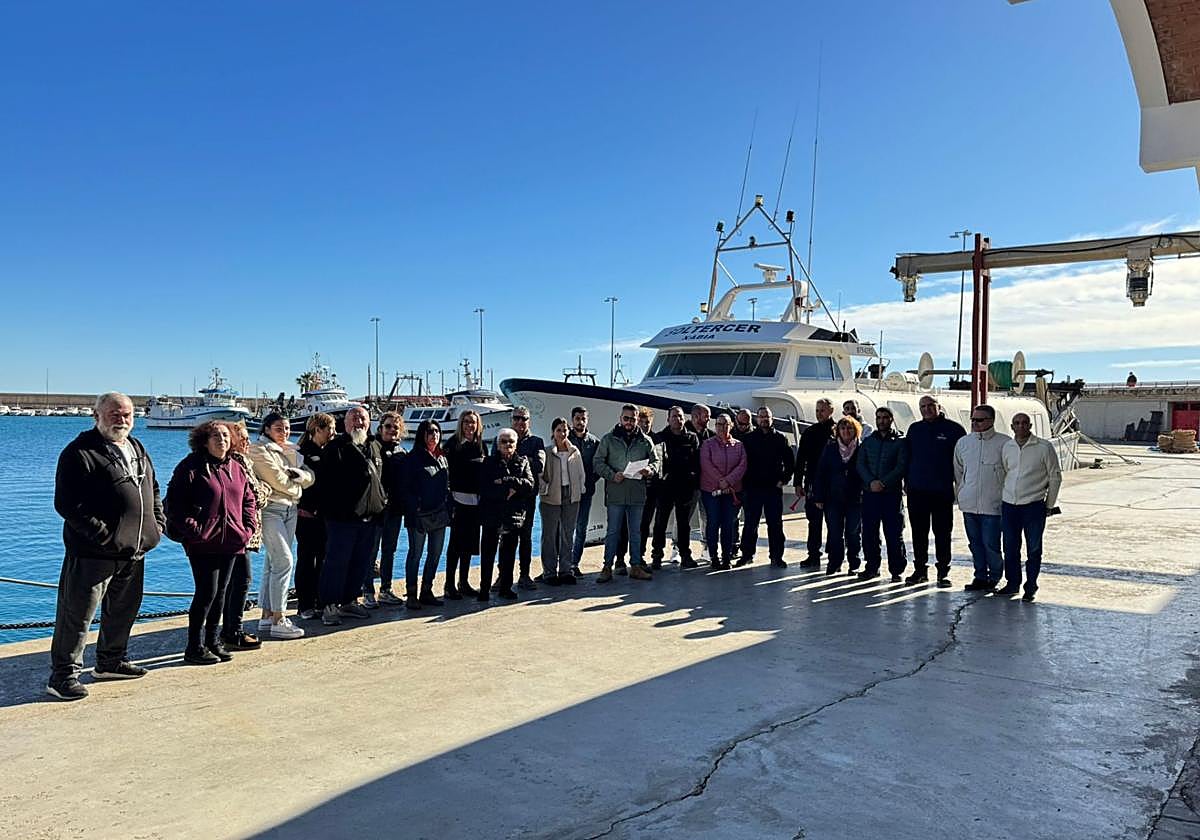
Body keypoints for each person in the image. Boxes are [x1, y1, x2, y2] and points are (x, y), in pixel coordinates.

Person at [47, 392, 164, 701]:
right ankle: (63, 676)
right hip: (93, 554)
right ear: (96, 415)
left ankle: (111, 661)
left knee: (124, 610)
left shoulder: (136, 447)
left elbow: (153, 488)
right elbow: (68, 504)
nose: (120, 419)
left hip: (134, 550)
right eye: (113, 413)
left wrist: (156, 526)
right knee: (77, 615)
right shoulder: (79, 452)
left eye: (126, 414)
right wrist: (104, 536)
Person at [166, 421, 256, 665]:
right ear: (204, 440)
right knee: (206, 593)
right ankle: (194, 646)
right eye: (216, 436)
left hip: (232, 541)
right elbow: (174, 505)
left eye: (226, 436)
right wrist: (196, 532)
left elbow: (248, 499)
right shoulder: (190, 467)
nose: (222, 440)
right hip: (203, 543)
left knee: (222, 593)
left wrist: (247, 529)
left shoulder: (236, 467)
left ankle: (213, 640)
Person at [318, 406, 387, 625]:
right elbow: (325, 483)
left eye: (363, 418)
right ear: (345, 424)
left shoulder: (375, 446)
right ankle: (328, 605)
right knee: (336, 563)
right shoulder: (335, 448)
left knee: (361, 562)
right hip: (342, 519)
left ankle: (349, 601)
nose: (358, 422)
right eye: (354, 419)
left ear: (369, 422)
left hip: (369, 518)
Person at [249, 411, 314, 639]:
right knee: (284, 561)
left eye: (286, 428)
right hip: (271, 509)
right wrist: (298, 486)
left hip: (290, 509)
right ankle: (279, 618)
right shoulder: (258, 449)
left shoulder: (290, 449)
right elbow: (276, 478)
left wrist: (298, 478)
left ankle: (267, 615)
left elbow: (310, 476)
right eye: (278, 428)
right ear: (266, 429)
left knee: (272, 563)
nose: (284, 432)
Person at [998, 412, 1061, 602]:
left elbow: (1055, 477)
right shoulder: (1007, 447)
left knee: (1033, 549)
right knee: (1010, 548)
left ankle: (1031, 586)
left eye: (1025, 423)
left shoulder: (1044, 447)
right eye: (1017, 423)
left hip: (1033, 506)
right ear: (1012, 426)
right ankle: (1012, 583)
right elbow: (1005, 472)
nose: (1021, 426)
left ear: (1030, 425)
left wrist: (1049, 505)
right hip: (1010, 505)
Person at [904, 396, 966, 588]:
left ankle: (943, 572)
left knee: (942, 532)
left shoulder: (954, 430)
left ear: (939, 407)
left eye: (931, 406)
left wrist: (960, 487)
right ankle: (920, 570)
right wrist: (906, 482)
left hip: (942, 491)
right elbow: (907, 457)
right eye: (923, 406)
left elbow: (962, 461)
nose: (927, 409)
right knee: (919, 533)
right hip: (917, 491)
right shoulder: (914, 429)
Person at [594, 404, 659, 582]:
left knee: (636, 532)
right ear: (620, 418)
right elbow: (598, 462)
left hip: (637, 494)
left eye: (633, 418)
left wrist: (649, 470)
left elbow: (656, 461)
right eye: (626, 418)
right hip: (616, 493)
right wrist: (612, 475)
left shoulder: (645, 441)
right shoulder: (609, 439)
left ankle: (636, 566)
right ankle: (607, 567)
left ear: (638, 419)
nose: (629, 422)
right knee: (613, 531)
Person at [219, 420, 268, 651]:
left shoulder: (240, 461)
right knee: (240, 581)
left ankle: (229, 629)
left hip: (241, 532)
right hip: (240, 533)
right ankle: (232, 632)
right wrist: (267, 488)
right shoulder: (238, 461)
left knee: (234, 583)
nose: (248, 441)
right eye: (243, 437)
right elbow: (257, 494)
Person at [953, 404, 1010, 592]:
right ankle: (979, 576)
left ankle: (994, 576)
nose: (975, 423)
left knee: (991, 544)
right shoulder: (964, 443)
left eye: (979, 420)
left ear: (991, 421)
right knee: (975, 543)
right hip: (969, 504)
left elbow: (1011, 472)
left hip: (992, 505)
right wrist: (961, 493)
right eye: (973, 420)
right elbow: (958, 471)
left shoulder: (1004, 443)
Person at [478, 428, 536, 601]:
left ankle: (506, 587)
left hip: (513, 515)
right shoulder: (488, 462)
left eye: (511, 441)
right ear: (498, 444)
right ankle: (484, 589)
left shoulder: (523, 461)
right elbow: (484, 487)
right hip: (492, 514)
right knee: (487, 554)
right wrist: (506, 492)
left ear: (516, 444)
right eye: (503, 441)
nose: (507, 445)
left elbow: (530, 485)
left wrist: (508, 482)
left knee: (509, 554)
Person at [738, 407, 795, 568]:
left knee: (775, 524)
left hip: (773, 488)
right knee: (750, 523)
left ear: (772, 419)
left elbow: (790, 462)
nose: (764, 419)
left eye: (767, 417)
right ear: (757, 419)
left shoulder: (780, 438)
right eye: (761, 416)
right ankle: (747, 555)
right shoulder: (748, 439)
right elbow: (742, 462)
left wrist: (784, 479)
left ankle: (776, 556)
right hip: (753, 487)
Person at [856, 406, 909, 582]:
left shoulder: (900, 441)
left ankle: (896, 569)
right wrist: (871, 482)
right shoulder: (869, 442)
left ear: (891, 419)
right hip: (870, 494)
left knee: (893, 534)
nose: (881, 421)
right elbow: (860, 465)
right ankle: (872, 567)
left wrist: (884, 483)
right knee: (869, 533)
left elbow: (901, 466)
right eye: (878, 418)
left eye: (885, 417)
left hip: (891, 495)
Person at [405, 419, 452, 608]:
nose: (434, 435)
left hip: (439, 513)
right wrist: (414, 508)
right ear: (422, 435)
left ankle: (427, 590)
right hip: (419, 515)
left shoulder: (442, 457)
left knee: (435, 554)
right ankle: (411, 594)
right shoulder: (413, 458)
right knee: (415, 554)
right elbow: (405, 488)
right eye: (430, 431)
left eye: (437, 431)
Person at [442, 410, 488, 599]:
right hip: (458, 500)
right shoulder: (452, 445)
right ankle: (449, 584)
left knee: (469, 545)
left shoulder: (481, 445)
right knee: (455, 545)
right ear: (461, 423)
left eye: (474, 422)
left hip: (475, 501)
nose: (470, 426)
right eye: (467, 422)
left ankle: (464, 582)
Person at [811, 417, 864, 576]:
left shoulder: (861, 449)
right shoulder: (830, 448)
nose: (846, 431)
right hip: (833, 498)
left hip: (855, 498)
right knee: (834, 532)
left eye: (849, 428)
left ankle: (854, 562)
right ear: (838, 431)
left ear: (855, 431)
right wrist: (818, 496)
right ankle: (835, 562)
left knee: (853, 532)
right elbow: (821, 473)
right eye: (843, 428)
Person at [294, 413, 335, 620]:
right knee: (306, 560)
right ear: (317, 430)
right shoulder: (303, 453)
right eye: (329, 429)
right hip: (307, 516)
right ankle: (304, 604)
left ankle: (321, 600)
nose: (332, 433)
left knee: (324, 559)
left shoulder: (329, 451)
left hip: (325, 516)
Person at [650, 406, 700, 569]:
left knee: (683, 523)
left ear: (683, 418)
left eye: (679, 416)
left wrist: (693, 481)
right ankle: (657, 556)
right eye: (673, 416)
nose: (677, 419)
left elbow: (697, 462)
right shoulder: (660, 437)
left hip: (685, 488)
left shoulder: (692, 438)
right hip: (665, 488)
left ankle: (685, 554)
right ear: (668, 419)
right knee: (660, 522)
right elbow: (656, 463)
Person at [539, 417, 586, 585]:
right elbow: (540, 475)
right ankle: (549, 572)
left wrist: (580, 489)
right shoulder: (546, 452)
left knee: (567, 534)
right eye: (559, 430)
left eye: (565, 430)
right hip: (551, 496)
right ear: (553, 432)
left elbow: (581, 474)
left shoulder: (575, 452)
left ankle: (566, 570)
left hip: (571, 496)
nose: (562, 433)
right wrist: (544, 489)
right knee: (549, 536)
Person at [367, 411, 407, 606]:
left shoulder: (401, 452)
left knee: (389, 550)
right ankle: (367, 591)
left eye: (396, 427)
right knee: (371, 551)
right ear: (380, 428)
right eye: (388, 426)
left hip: (394, 510)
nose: (392, 430)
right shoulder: (372, 448)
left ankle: (386, 589)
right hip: (375, 510)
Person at [793, 398, 836, 570]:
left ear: (831, 411)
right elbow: (801, 459)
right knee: (814, 522)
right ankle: (813, 555)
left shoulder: (838, 431)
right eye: (817, 411)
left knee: (834, 523)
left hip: (833, 484)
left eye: (822, 410)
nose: (819, 414)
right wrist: (798, 482)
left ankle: (834, 556)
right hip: (812, 483)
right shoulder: (810, 432)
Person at [699, 414, 746, 570]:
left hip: (732, 491)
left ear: (731, 426)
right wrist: (720, 480)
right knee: (713, 523)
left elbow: (742, 465)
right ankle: (713, 556)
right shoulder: (707, 444)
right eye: (719, 424)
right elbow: (706, 464)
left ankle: (726, 557)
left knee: (728, 524)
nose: (722, 427)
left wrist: (729, 481)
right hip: (711, 491)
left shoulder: (738, 445)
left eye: (725, 424)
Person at [511, 406, 545, 590]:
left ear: (528, 421)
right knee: (506, 538)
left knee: (525, 537)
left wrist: (516, 460)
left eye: (523, 418)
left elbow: (539, 464)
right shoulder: (504, 437)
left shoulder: (536, 442)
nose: (519, 422)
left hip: (528, 497)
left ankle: (525, 575)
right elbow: (495, 464)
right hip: (508, 498)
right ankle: (503, 575)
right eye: (516, 418)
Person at [568, 406, 601, 578]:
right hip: (567, 493)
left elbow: (599, 466)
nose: (580, 422)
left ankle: (574, 563)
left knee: (581, 529)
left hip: (586, 493)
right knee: (565, 528)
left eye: (583, 418)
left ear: (587, 420)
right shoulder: (565, 439)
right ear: (572, 420)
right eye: (577, 418)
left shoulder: (594, 442)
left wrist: (588, 482)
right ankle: (561, 563)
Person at [686, 403, 714, 561]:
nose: (709, 419)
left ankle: (706, 548)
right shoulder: (684, 433)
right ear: (696, 416)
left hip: (707, 483)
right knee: (683, 518)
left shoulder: (710, 435)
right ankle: (677, 547)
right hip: (689, 484)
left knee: (707, 517)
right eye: (706, 416)